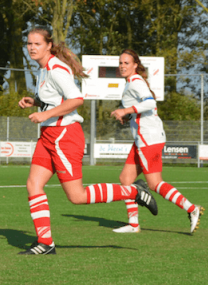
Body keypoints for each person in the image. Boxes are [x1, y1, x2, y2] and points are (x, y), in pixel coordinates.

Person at [17, 28, 158, 255]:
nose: (32, 47)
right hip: (48, 135)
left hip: (64, 136)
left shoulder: (56, 69)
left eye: (37, 43)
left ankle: (132, 192)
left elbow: (76, 99)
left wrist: (44, 115)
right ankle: (45, 243)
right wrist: (35, 102)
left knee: (77, 197)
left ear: (49, 46)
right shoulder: (43, 70)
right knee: (33, 185)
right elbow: (55, 99)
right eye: (29, 43)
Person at [110, 49, 203, 234]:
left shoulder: (135, 81)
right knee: (125, 179)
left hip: (148, 139)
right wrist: (128, 116)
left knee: (154, 184)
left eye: (126, 63)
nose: (122, 66)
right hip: (142, 139)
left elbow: (150, 102)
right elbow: (143, 108)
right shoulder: (131, 83)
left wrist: (125, 111)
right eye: (120, 63)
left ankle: (192, 209)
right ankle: (134, 224)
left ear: (135, 65)